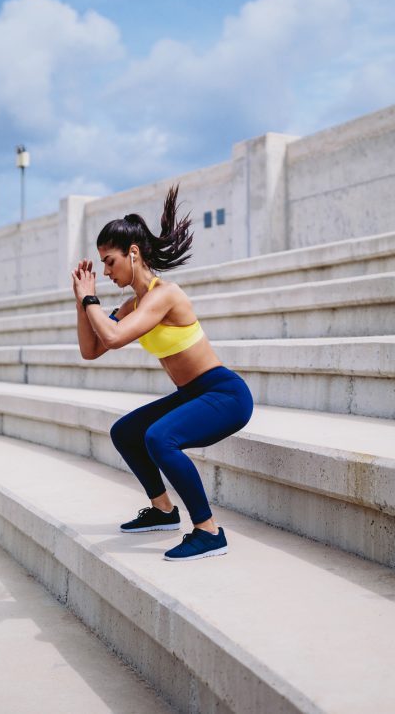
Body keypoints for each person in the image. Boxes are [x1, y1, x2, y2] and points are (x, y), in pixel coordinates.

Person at [71, 184, 253, 561]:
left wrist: (91, 300)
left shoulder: (164, 295)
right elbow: (91, 349)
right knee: (126, 432)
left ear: (132, 254)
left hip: (224, 394)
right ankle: (164, 511)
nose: (105, 271)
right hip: (192, 394)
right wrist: (81, 303)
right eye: (102, 263)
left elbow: (115, 337)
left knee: (159, 437)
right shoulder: (132, 304)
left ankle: (208, 531)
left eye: (110, 261)